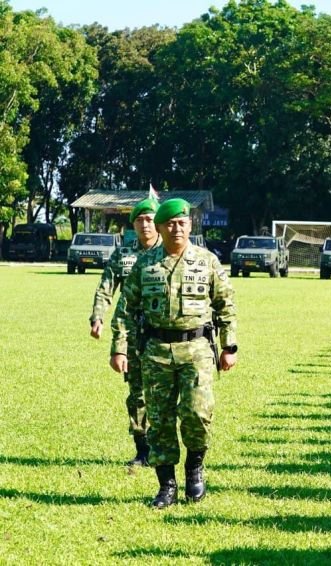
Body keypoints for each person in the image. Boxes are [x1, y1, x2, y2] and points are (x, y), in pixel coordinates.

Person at [110, 198, 237, 508]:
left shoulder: (207, 261)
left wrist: (228, 346)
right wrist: (119, 348)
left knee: (197, 413)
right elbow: (125, 310)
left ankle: (195, 469)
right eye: (170, 223)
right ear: (161, 227)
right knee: (160, 421)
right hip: (155, 352)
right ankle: (166, 485)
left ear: (190, 225)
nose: (177, 228)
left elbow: (226, 306)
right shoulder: (146, 263)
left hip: (197, 350)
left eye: (182, 222)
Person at [90, 197, 161, 467]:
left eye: (150, 219)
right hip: (131, 332)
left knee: (163, 392)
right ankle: (142, 450)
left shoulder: (167, 251)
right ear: (133, 224)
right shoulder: (123, 254)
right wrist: (98, 317)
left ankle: (163, 446)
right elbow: (106, 287)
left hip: (162, 332)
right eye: (140, 220)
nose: (145, 224)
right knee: (138, 394)